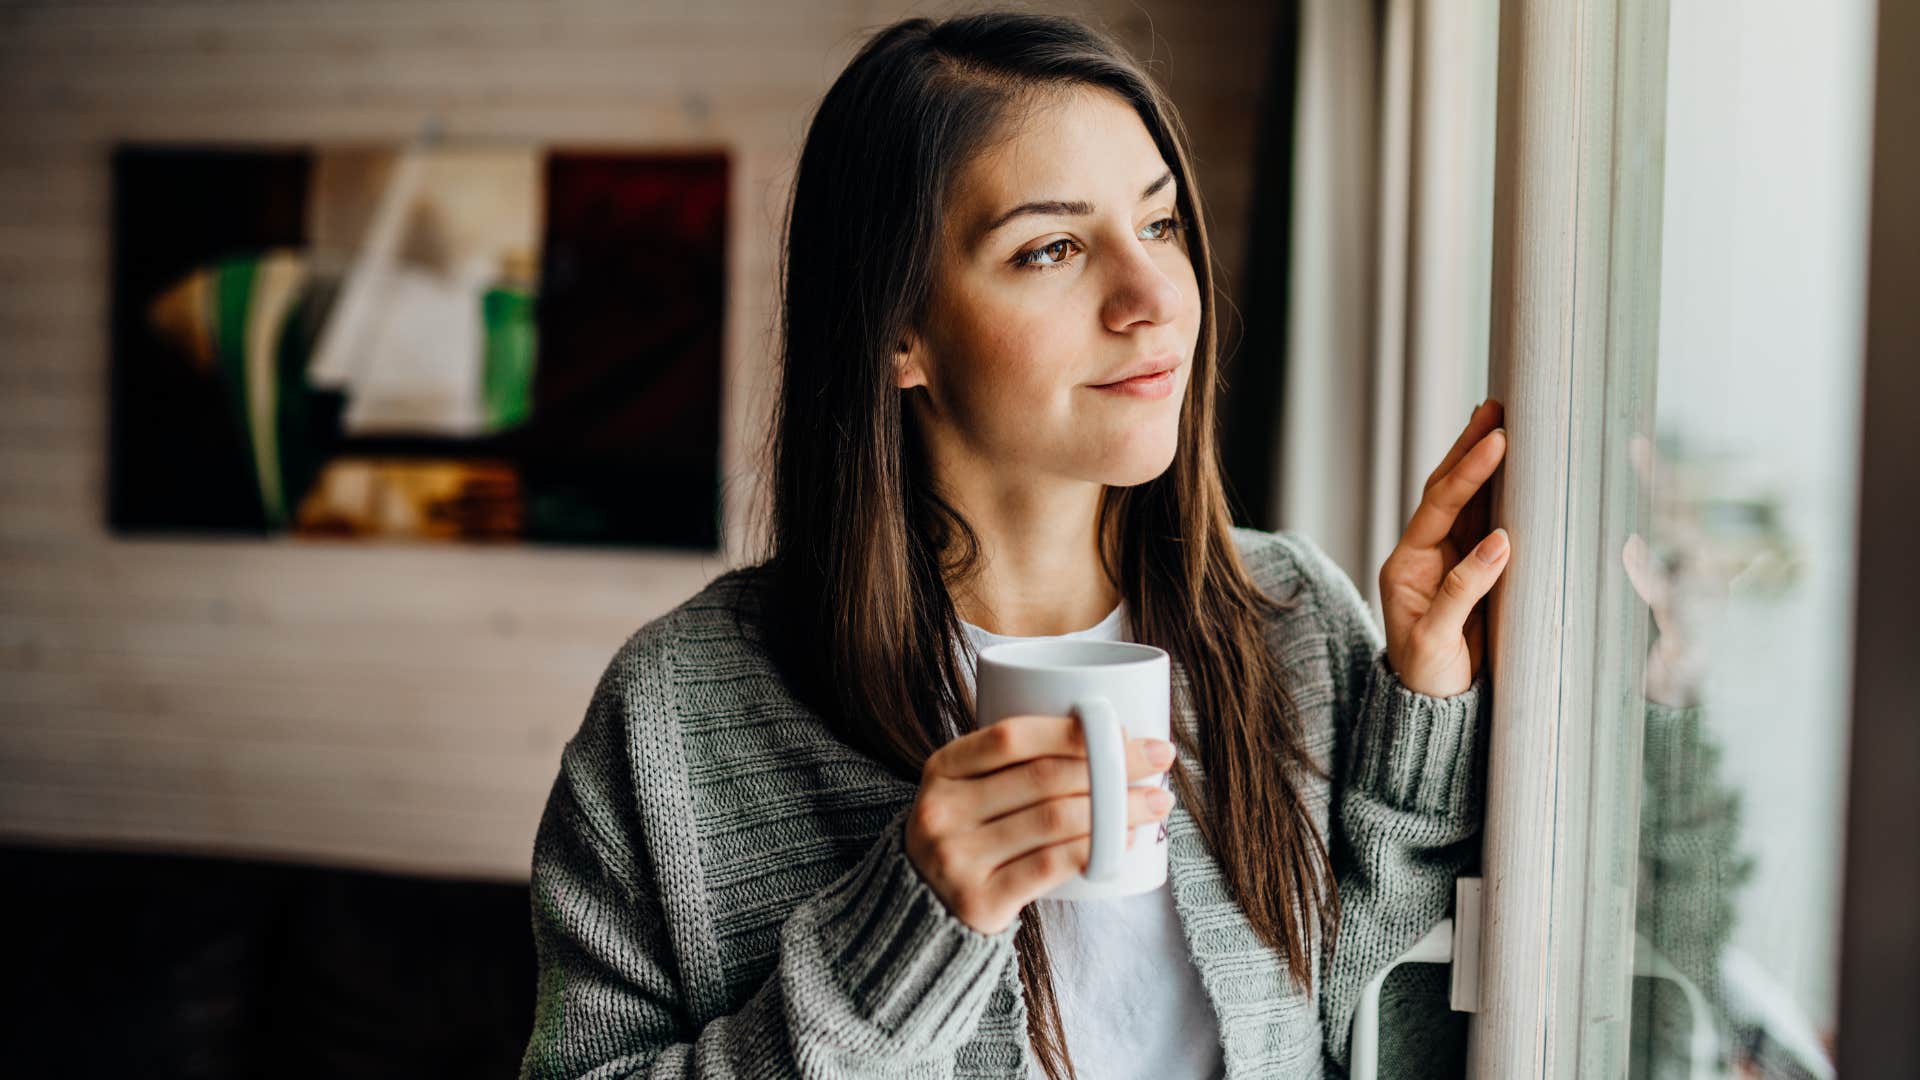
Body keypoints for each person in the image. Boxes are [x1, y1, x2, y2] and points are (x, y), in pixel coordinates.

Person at [518, 11, 1512, 1079]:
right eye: (1051, 248)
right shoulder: (679, 712)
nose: (1152, 301)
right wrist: (910, 925)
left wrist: (1425, 708)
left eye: (1162, 225)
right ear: (899, 330)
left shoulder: (1294, 619)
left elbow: (1371, 1022)